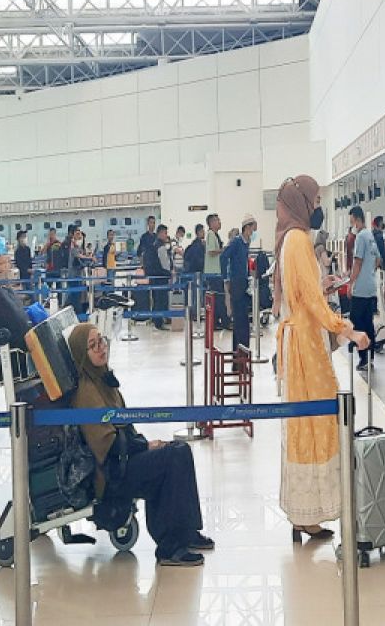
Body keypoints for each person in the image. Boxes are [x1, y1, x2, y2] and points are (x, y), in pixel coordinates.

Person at [272, 175, 369, 541]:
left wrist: (321, 286)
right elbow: (310, 304)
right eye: (313, 201)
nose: (316, 208)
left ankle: (305, 512)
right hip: (306, 346)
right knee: (314, 423)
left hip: (302, 341)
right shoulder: (297, 240)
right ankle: (306, 511)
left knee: (308, 424)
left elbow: (304, 292)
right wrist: (347, 329)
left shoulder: (291, 238)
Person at [67, 323, 213, 566]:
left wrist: (144, 445)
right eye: (92, 346)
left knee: (178, 451)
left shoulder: (103, 379)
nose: (100, 349)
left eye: (101, 341)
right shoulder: (87, 391)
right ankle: (169, 547)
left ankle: (184, 532)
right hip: (111, 475)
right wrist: (144, 447)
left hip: (123, 460)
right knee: (173, 457)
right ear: (82, 354)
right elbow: (108, 446)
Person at [348, 206, 380, 372]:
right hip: (371, 286)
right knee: (368, 322)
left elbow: (358, 262)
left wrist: (351, 282)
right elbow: (377, 260)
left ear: (356, 218)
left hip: (360, 288)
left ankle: (363, 358)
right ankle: (370, 356)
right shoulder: (371, 236)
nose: (351, 223)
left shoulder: (360, 237)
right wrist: (369, 274)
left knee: (358, 322)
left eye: (351, 219)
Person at [223, 214, 257, 357]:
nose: (253, 231)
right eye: (252, 228)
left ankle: (241, 355)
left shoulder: (245, 243)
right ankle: (239, 355)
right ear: (246, 227)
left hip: (243, 282)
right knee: (240, 321)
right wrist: (226, 278)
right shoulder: (237, 242)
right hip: (236, 283)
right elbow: (224, 256)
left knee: (242, 321)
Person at [204, 213, 229, 330]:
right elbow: (211, 251)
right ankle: (216, 322)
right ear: (212, 223)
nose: (220, 222)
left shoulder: (215, 235)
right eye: (217, 221)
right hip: (212, 272)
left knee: (218, 298)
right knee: (217, 298)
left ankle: (218, 321)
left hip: (217, 271)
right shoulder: (210, 234)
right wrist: (222, 250)